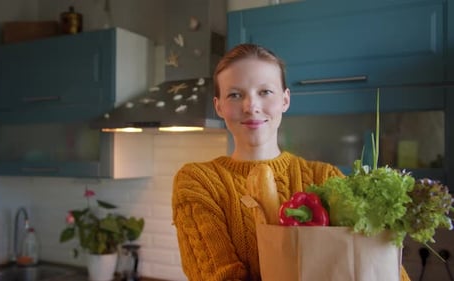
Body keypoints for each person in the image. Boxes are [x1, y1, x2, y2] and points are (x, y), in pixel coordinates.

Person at [171, 43, 410, 281]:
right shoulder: (198, 182)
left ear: (285, 100)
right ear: (219, 107)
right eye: (235, 95)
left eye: (265, 92)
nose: (251, 106)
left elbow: (384, 267)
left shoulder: (325, 177)